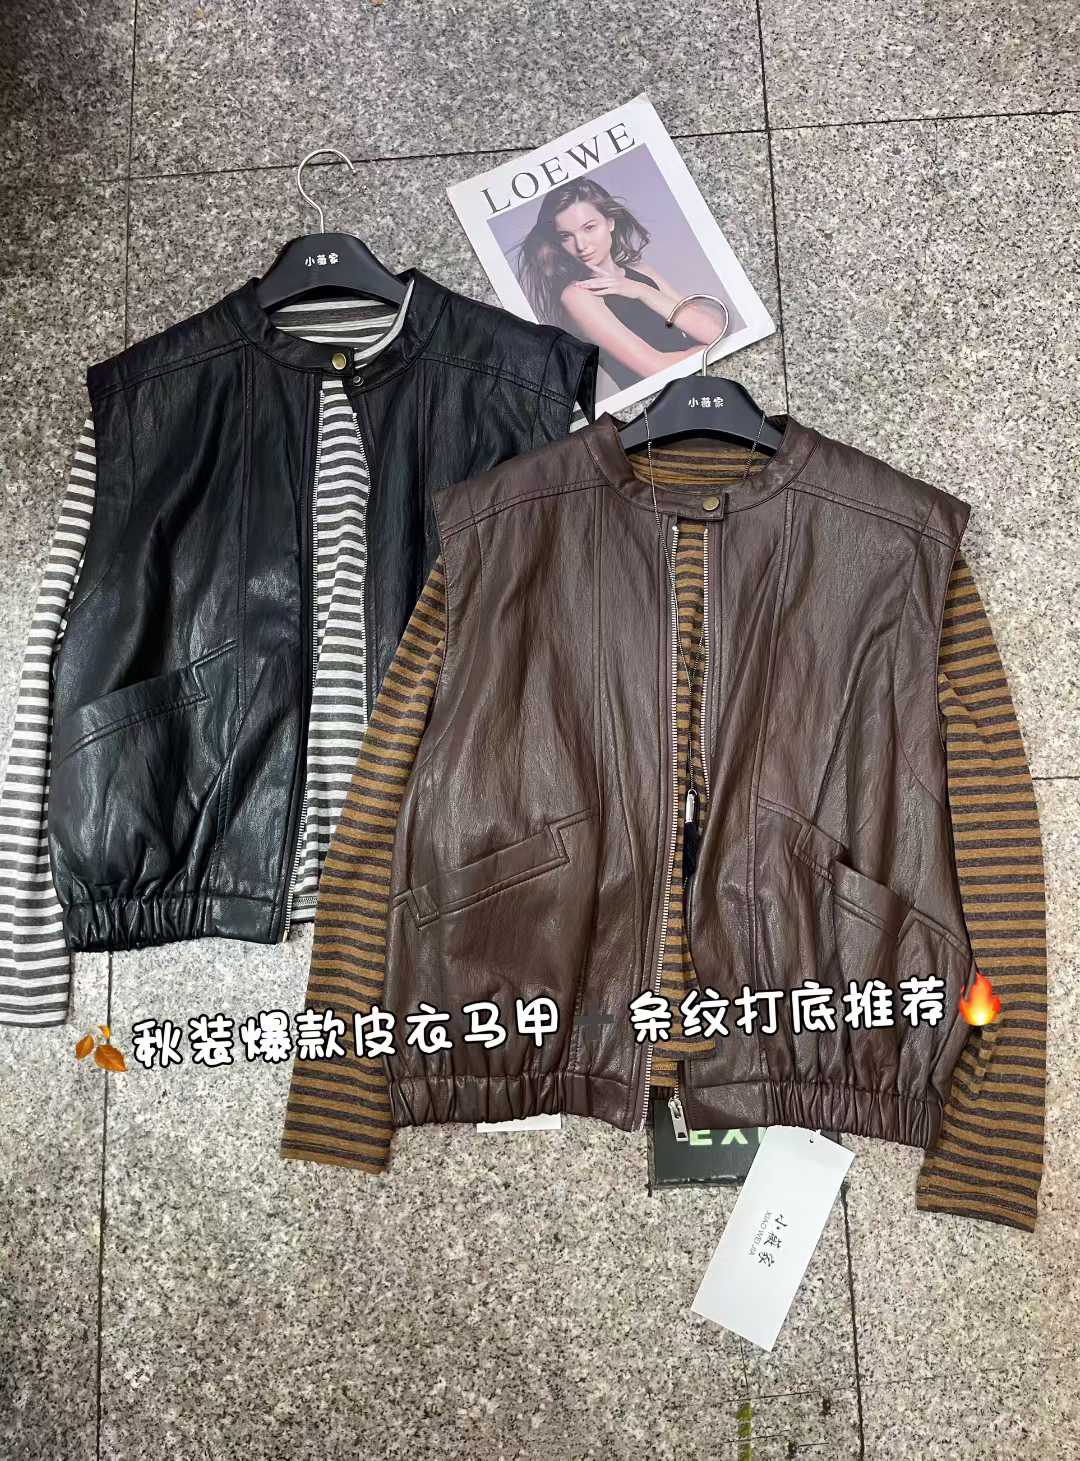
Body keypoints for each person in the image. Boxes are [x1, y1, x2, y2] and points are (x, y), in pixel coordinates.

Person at [515, 178, 727, 390]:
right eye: (566, 236)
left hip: (703, 380)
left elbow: (713, 332)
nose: (581, 245)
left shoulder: (639, 270)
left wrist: (640, 290)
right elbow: (656, 369)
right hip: (668, 395)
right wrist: (716, 349)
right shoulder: (578, 295)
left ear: (610, 222)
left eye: (589, 227)